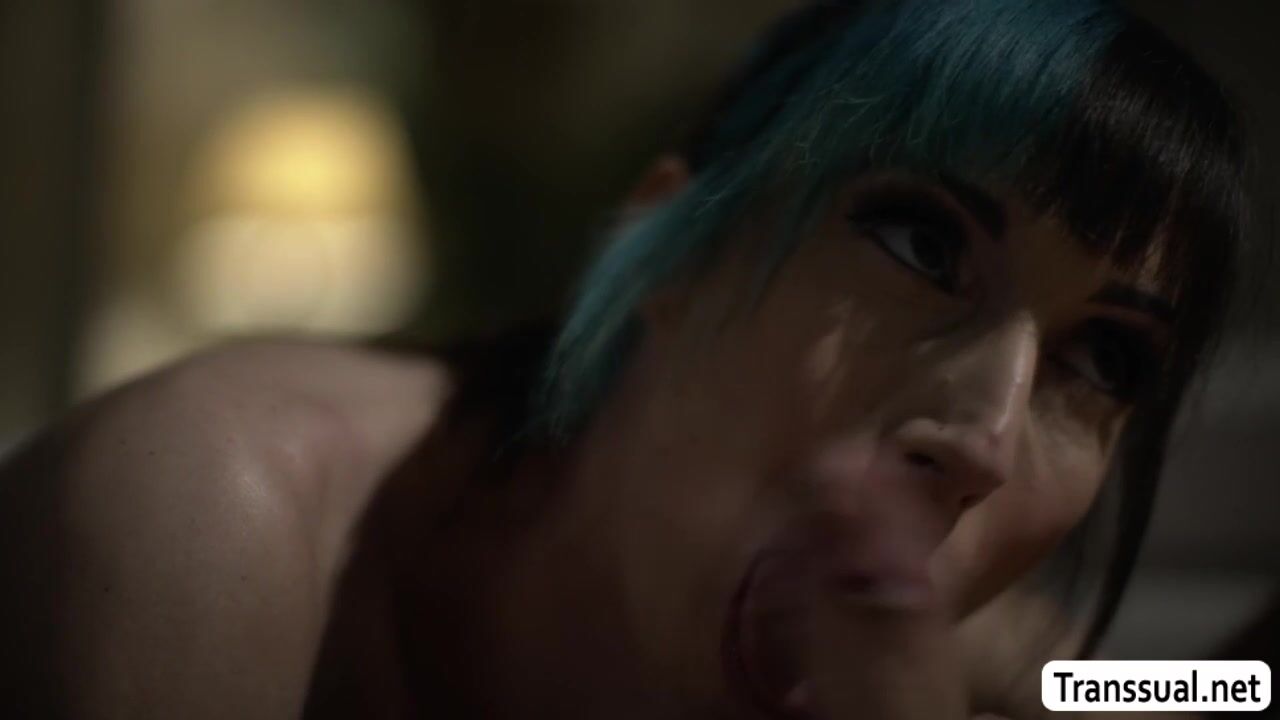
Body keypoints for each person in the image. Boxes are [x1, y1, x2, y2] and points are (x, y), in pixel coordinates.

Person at [0, 0, 1249, 718]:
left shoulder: (917, 626)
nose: (981, 438)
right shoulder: (205, 520)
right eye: (921, 244)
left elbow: (1171, 695)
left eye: (1105, 358)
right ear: (664, 245)